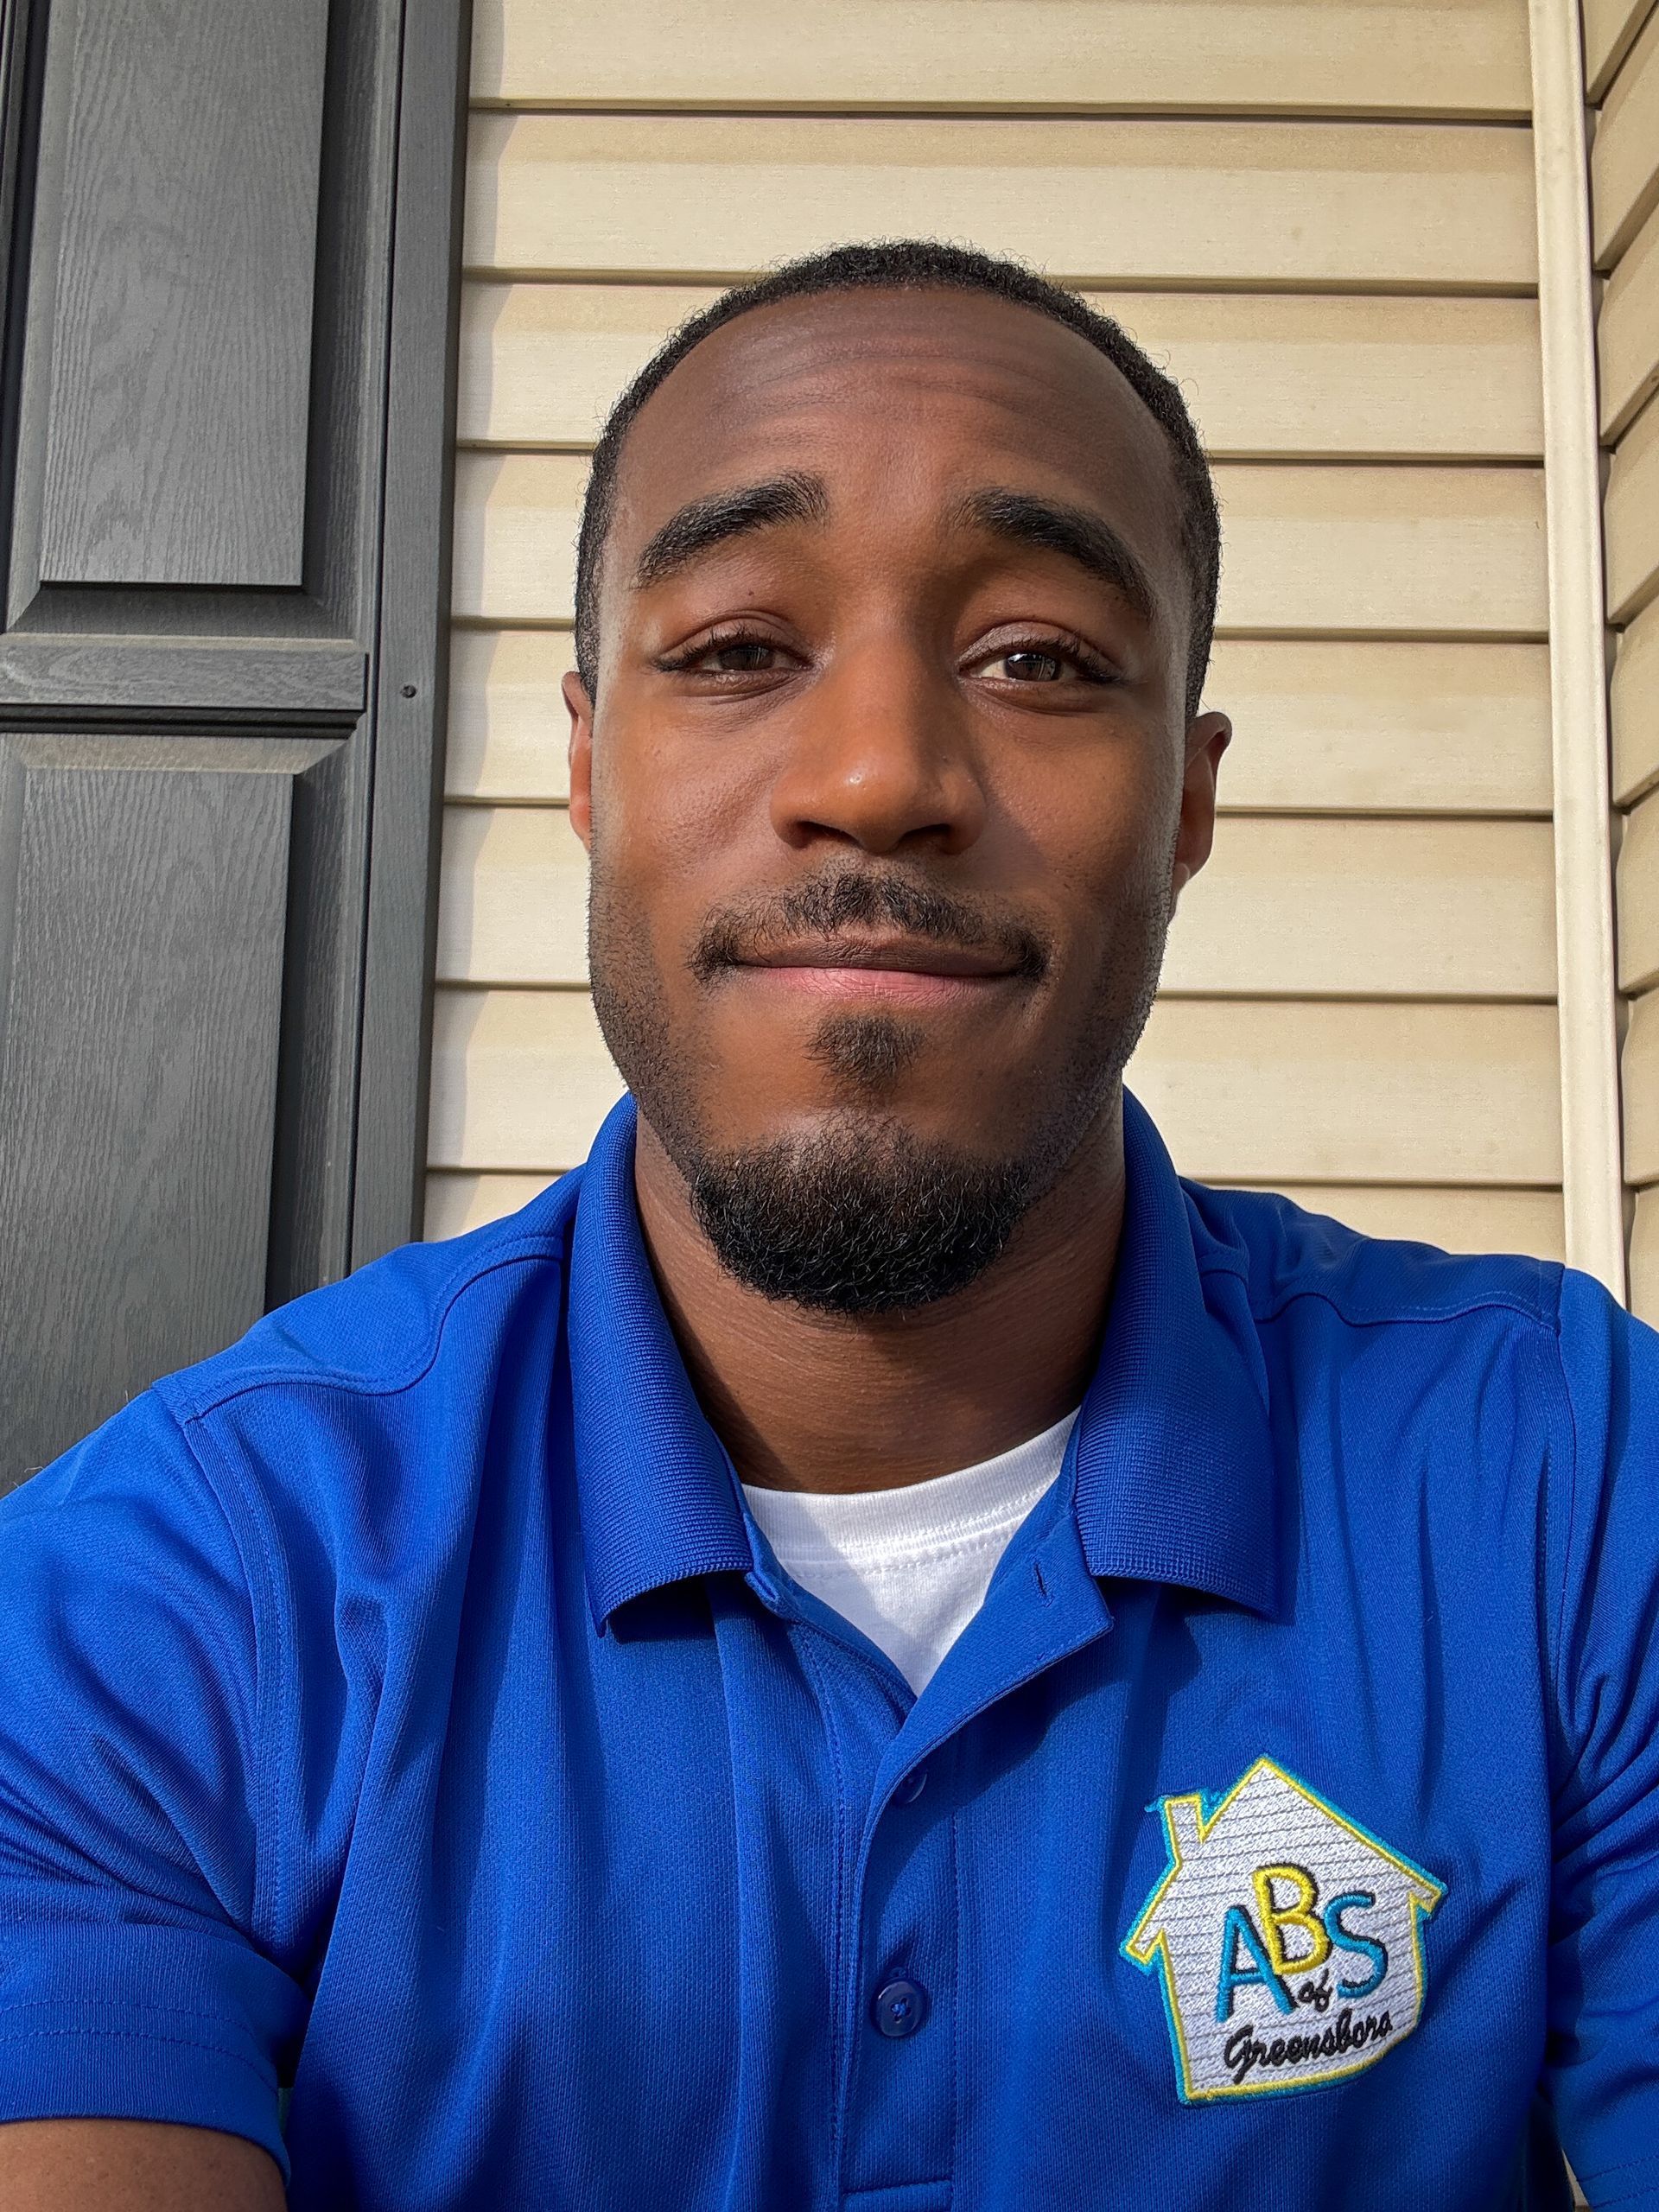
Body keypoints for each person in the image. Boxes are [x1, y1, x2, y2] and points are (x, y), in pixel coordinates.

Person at [0, 238, 1652, 2212]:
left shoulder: (1564, 1478)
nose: (878, 778)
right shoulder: (164, 1591)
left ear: (1188, 801)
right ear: (592, 761)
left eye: (1038, 655)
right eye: (732, 650)